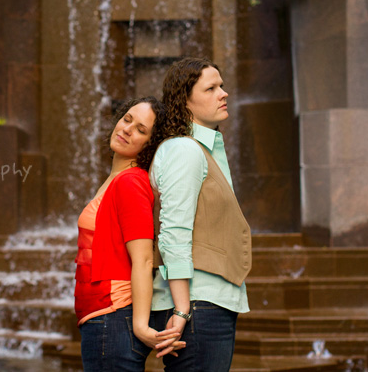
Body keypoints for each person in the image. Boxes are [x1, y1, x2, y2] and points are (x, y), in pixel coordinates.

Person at [149, 57, 252, 372]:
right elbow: (174, 232)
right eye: (211, 88)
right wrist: (182, 311)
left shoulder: (199, 148)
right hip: (197, 305)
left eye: (221, 85)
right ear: (186, 101)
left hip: (205, 303)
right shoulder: (185, 150)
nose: (223, 93)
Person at [75, 97, 184, 372]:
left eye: (141, 130)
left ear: (150, 144)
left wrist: (140, 325)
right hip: (100, 317)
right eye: (127, 119)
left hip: (113, 316)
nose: (127, 129)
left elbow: (144, 259)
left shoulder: (131, 181)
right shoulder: (115, 180)